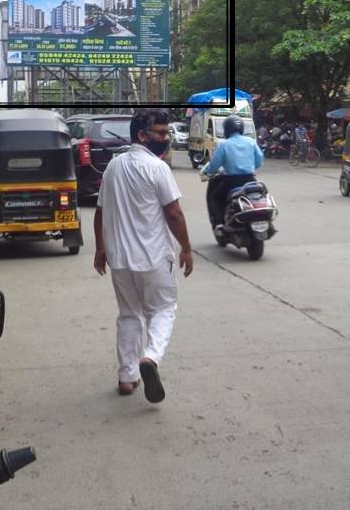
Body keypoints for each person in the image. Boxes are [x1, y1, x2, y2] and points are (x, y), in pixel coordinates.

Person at [93, 109, 193, 403]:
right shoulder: (156, 167)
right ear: (141, 135)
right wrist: (186, 248)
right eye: (161, 133)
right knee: (163, 310)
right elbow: (173, 214)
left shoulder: (113, 166)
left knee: (128, 315)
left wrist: (100, 249)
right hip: (152, 257)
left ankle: (127, 378)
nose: (166, 138)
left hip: (119, 259)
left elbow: (99, 214)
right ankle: (150, 357)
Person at [201, 115, 264, 237]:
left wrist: (207, 172)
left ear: (226, 129)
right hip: (251, 180)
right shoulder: (251, 142)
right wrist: (250, 167)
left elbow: (214, 165)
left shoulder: (224, 144)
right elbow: (259, 160)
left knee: (215, 198)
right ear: (241, 128)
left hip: (231, 182)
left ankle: (219, 224)